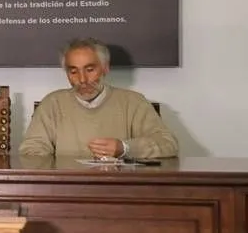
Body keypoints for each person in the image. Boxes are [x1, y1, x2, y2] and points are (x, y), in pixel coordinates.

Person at [19, 38, 178, 159]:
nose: (82, 80)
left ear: (105, 68)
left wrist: (125, 148)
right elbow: (31, 150)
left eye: (89, 69)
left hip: (119, 190)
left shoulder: (133, 102)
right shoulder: (52, 103)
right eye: (73, 72)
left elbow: (168, 143)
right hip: (66, 191)